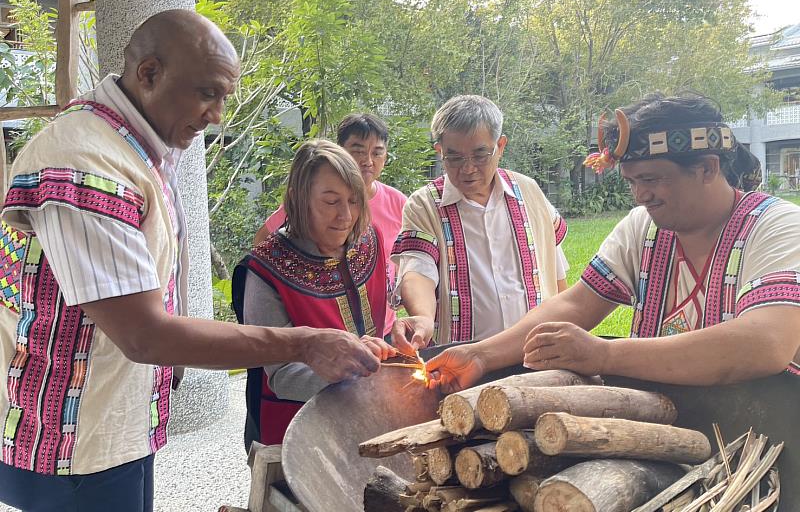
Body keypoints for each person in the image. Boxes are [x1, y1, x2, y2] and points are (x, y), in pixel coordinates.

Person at [0, 10, 379, 512]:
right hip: (74, 441)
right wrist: (305, 343)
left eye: (224, 97)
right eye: (208, 93)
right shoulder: (84, 164)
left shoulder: (132, 147)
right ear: (150, 74)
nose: (218, 115)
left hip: (118, 423)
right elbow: (145, 335)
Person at [426, 93, 800, 394]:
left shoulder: (777, 226)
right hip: (668, 439)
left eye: (651, 179)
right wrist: (480, 355)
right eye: (632, 181)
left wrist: (604, 354)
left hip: (767, 448)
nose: (640, 196)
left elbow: (765, 342)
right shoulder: (644, 228)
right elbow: (577, 303)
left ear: (707, 168)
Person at [234, 139, 395, 447]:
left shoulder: (368, 240)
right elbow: (281, 375)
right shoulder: (266, 270)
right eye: (331, 201)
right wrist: (350, 374)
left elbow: (376, 323)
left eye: (353, 200)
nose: (345, 217)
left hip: (372, 414)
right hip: (301, 432)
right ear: (298, 199)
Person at [391, 95, 569, 353]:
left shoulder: (529, 191)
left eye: (480, 155)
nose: (468, 169)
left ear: (500, 146)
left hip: (537, 354)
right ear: (440, 151)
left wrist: (569, 327)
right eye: (454, 157)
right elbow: (418, 271)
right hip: (463, 363)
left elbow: (556, 272)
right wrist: (424, 318)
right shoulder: (424, 205)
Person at [254, 113, 407, 334]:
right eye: (331, 201)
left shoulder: (391, 213)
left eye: (355, 202)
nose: (368, 161)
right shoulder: (302, 209)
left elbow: (406, 259)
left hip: (381, 332)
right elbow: (263, 246)